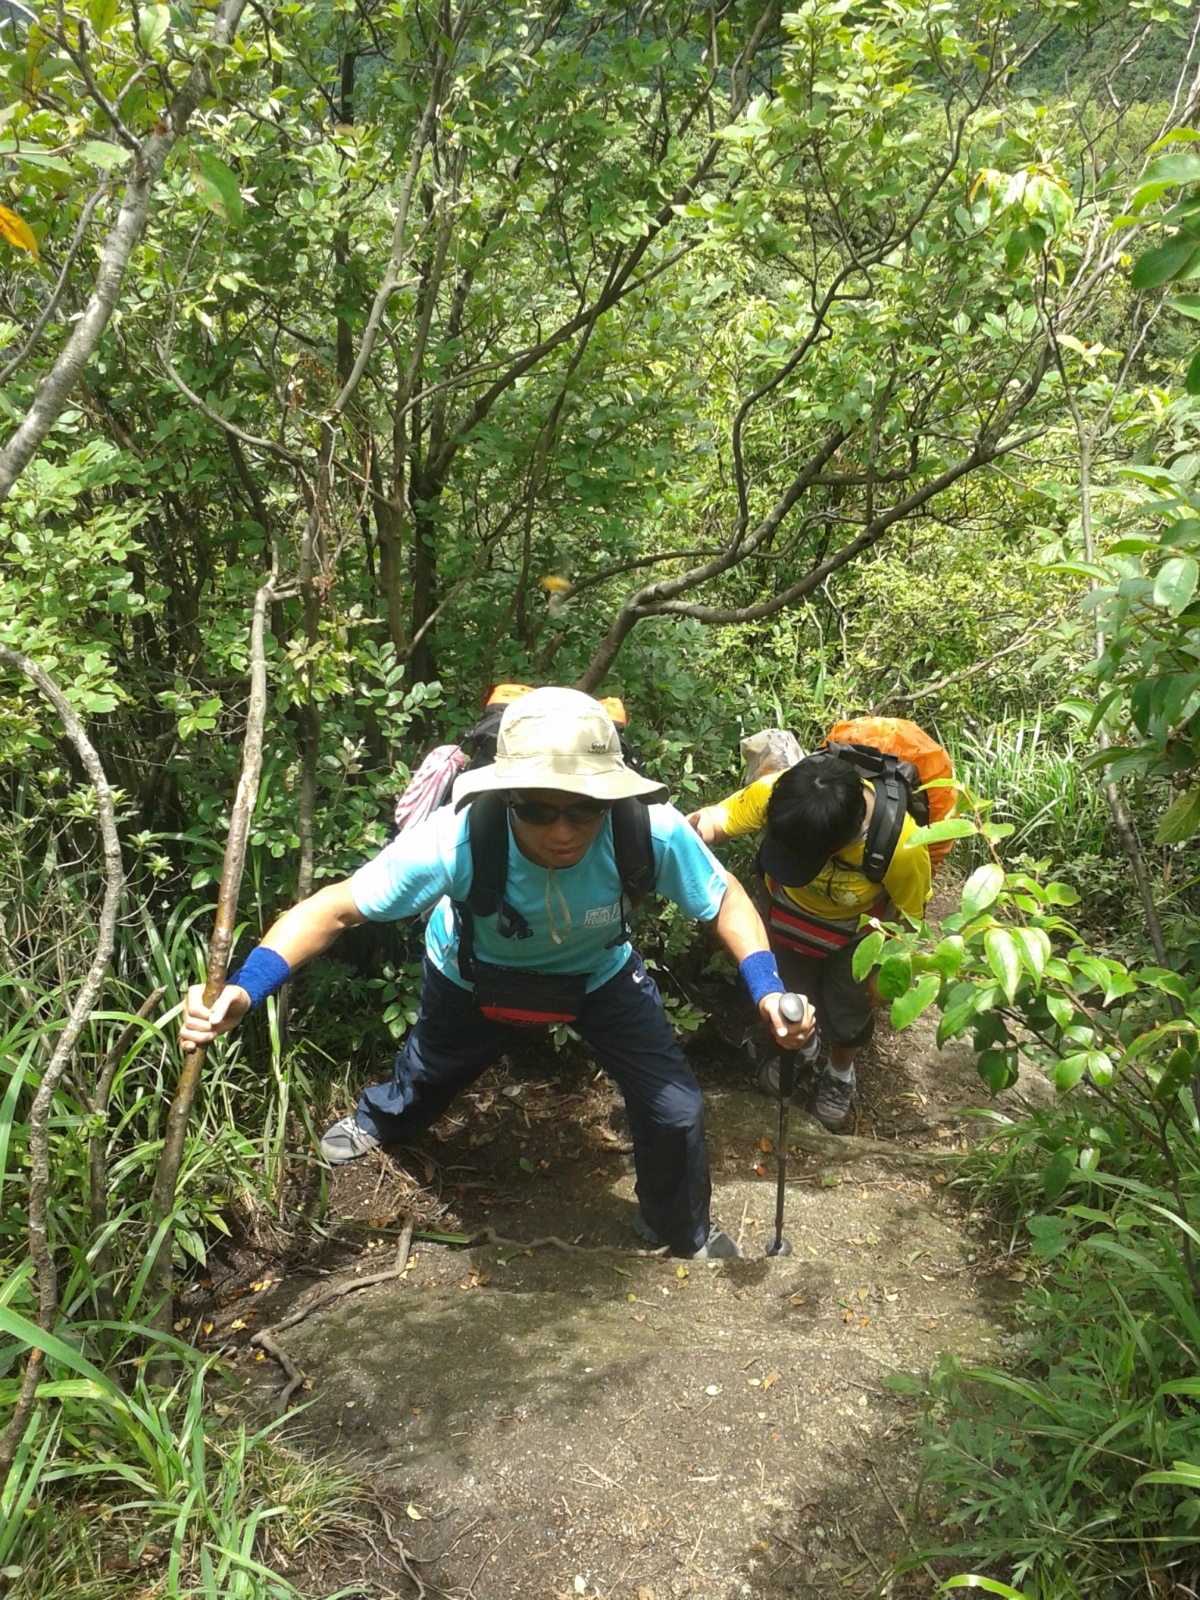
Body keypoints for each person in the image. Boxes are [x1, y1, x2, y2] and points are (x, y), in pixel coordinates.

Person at [179, 687, 815, 1260]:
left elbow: (725, 897)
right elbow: (335, 908)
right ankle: (381, 1118)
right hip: (471, 973)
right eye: (538, 811)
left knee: (675, 1111)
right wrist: (244, 986)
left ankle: (680, 1230)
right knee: (430, 1070)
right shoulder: (456, 839)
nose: (563, 831)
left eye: (585, 809)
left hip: (601, 976)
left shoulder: (649, 829)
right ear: (506, 795)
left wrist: (766, 988)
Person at [688, 752, 931, 1133]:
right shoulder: (782, 793)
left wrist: (887, 971)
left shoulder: (902, 846)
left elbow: (911, 916)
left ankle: (840, 1071)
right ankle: (803, 1047)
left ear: (838, 843)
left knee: (847, 1010)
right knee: (788, 993)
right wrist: (683, 834)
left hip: (854, 938)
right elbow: (720, 819)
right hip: (786, 921)